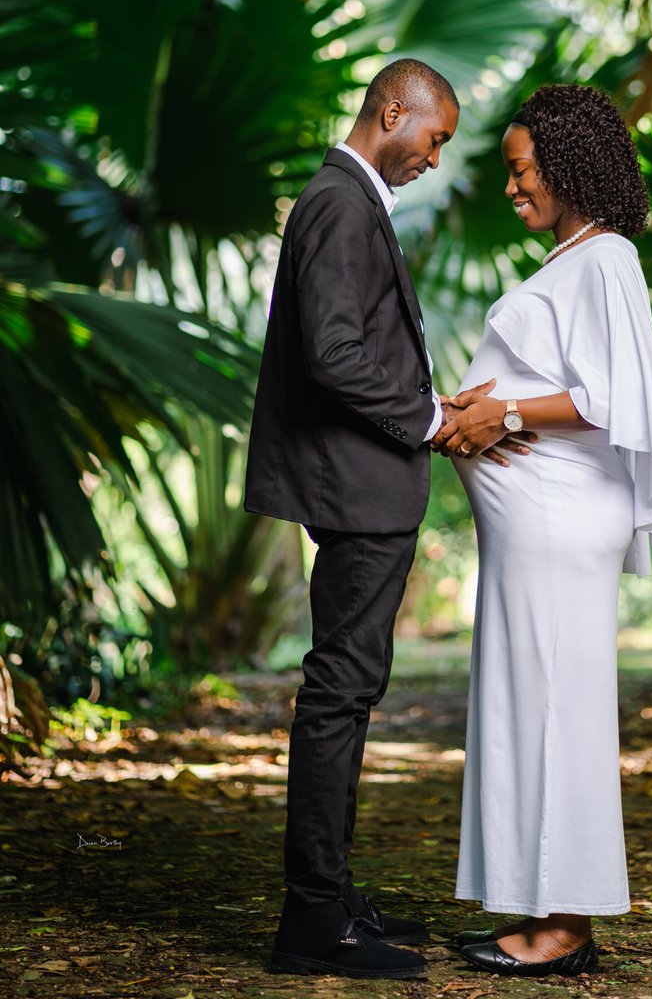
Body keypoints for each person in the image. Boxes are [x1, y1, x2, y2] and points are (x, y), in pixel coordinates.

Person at [244, 58, 516, 981]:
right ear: (391, 111)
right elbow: (332, 355)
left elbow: (351, 349)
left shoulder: (346, 202)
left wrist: (429, 400)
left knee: (346, 696)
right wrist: (435, 417)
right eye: (434, 137)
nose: (435, 158)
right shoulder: (340, 203)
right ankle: (314, 917)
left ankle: (330, 892)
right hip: (358, 494)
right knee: (338, 698)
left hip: (363, 487)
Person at [432, 83, 652, 978]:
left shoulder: (606, 258)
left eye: (520, 168)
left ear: (570, 162)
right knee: (526, 708)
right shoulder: (574, 258)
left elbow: (613, 400)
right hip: (532, 530)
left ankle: (565, 928)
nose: (512, 187)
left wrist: (501, 416)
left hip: (560, 522)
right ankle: (539, 907)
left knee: (556, 711)